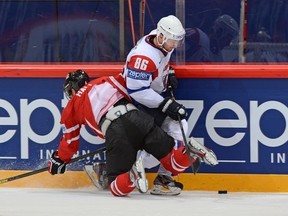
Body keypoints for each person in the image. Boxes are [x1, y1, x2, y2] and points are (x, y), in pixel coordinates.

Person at [48, 69, 218, 197]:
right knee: (171, 162)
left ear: (71, 90)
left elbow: (69, 143)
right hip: (138, 117)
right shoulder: (108, 80)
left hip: (115, 131)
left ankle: (131, 175)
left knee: (115, 185)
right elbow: (137, 80)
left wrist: (58, 160)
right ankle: (190, 150)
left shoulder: (72, 106)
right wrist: (166, 72)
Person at [121, 15, 214, 196]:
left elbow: (160, 63)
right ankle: (129, 167)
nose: (176, 45)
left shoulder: (161, 40)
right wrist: (165, 104)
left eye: (178, 41)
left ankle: (163, 177)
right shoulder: (143, 56)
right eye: (173, 41)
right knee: (156, 145)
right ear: (162, 36)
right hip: (137, 102)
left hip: (153, 97)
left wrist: (167, 71)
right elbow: (136, 91)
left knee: (181, 128)